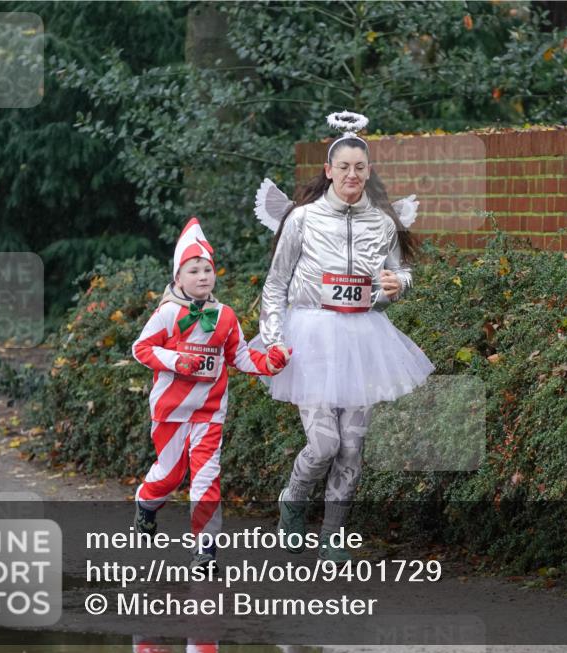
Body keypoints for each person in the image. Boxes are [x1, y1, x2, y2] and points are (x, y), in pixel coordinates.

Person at [252, 111, 434, 562]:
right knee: (324, 444)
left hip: (362, 339)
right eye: (344, 166)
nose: (352, 174)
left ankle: (334, 533)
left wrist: (398, 285)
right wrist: (273, 339)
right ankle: (293, 500)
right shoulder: (301, 220)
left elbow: (397, 275)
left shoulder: (383, 223)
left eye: (360, 167)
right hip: (310, 334)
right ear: (329, 171)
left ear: (368, 173)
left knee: (352, 445)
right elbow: (275, 284)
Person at [131, 217, 292, 571]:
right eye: (193, 270)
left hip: (209, 412)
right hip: (170, 411)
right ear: (178, 278)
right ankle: (146, 503)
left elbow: (240, 357)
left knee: (206, 478)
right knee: (170, 476)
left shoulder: (225, 316)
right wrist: (178, 360)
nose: (202, 276)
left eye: (207, 269)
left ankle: (205, 551)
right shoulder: (167, 314)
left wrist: (272, 363)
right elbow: (141, 349)